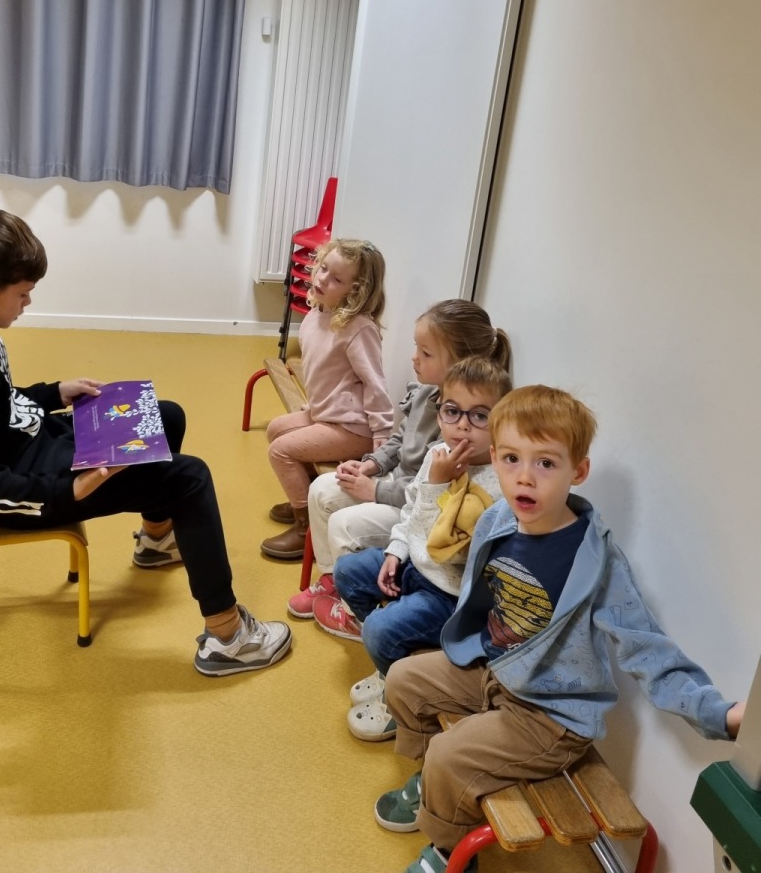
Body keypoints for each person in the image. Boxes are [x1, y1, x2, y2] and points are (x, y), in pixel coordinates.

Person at [0, 209, 292, 677]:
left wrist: (53, 393)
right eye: (22, 293)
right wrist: (68, 492)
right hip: (23, 489)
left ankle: (157, 540)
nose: (28, 302)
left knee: (164, 415)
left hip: (29, 446)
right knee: (190, 477)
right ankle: (229, 637)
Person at [373, 385, 746, 873]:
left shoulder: (596, 560)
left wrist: (719, 714)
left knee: (447, 754)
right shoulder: (497, 520)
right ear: (495, 458)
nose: (524, 477)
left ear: (579, 471)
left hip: (551, 715)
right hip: (495, 671)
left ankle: (448, 851)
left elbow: (647, 648)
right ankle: (434, 788)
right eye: (511, 459)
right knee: (403, 679)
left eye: (546, 463)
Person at [290, 301, 512, 633]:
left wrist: (375, 490)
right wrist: (372, 464)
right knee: (321, 488)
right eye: (416, 348)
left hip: (413, 503)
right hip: (397, 483)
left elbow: (429, 491)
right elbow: (399, 436)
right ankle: (332, 578)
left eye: (426, 353)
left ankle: (352, 614)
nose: (414, 358)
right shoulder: (427, 392)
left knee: (343, 525)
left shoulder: (460, 423)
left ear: (460, 363)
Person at [331, 358, 511, 742]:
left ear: (501, 422)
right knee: (348, 571)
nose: (462, 425)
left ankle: (398, 699)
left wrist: (437, 486)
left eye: (480, 416)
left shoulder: (499, 486)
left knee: (379, 629)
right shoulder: (438, 453)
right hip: (415, 565)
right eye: (452, 411)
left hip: (450, 593)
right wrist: (395, 551)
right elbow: (412, 511)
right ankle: (388, 664)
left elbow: (450, 551)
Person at [260, 238, 393, 560]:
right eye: (323, 268)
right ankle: (304, 496)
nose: (321, 279)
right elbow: (326, 371)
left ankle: (305, 526)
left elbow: (374, 384)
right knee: (275, 429)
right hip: (326, 412)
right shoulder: (318, 312)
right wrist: (315, 404)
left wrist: (382, 434)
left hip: (352, 427)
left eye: (336, 279)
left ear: (356, 291)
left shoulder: (358, 329)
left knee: (281, 451)